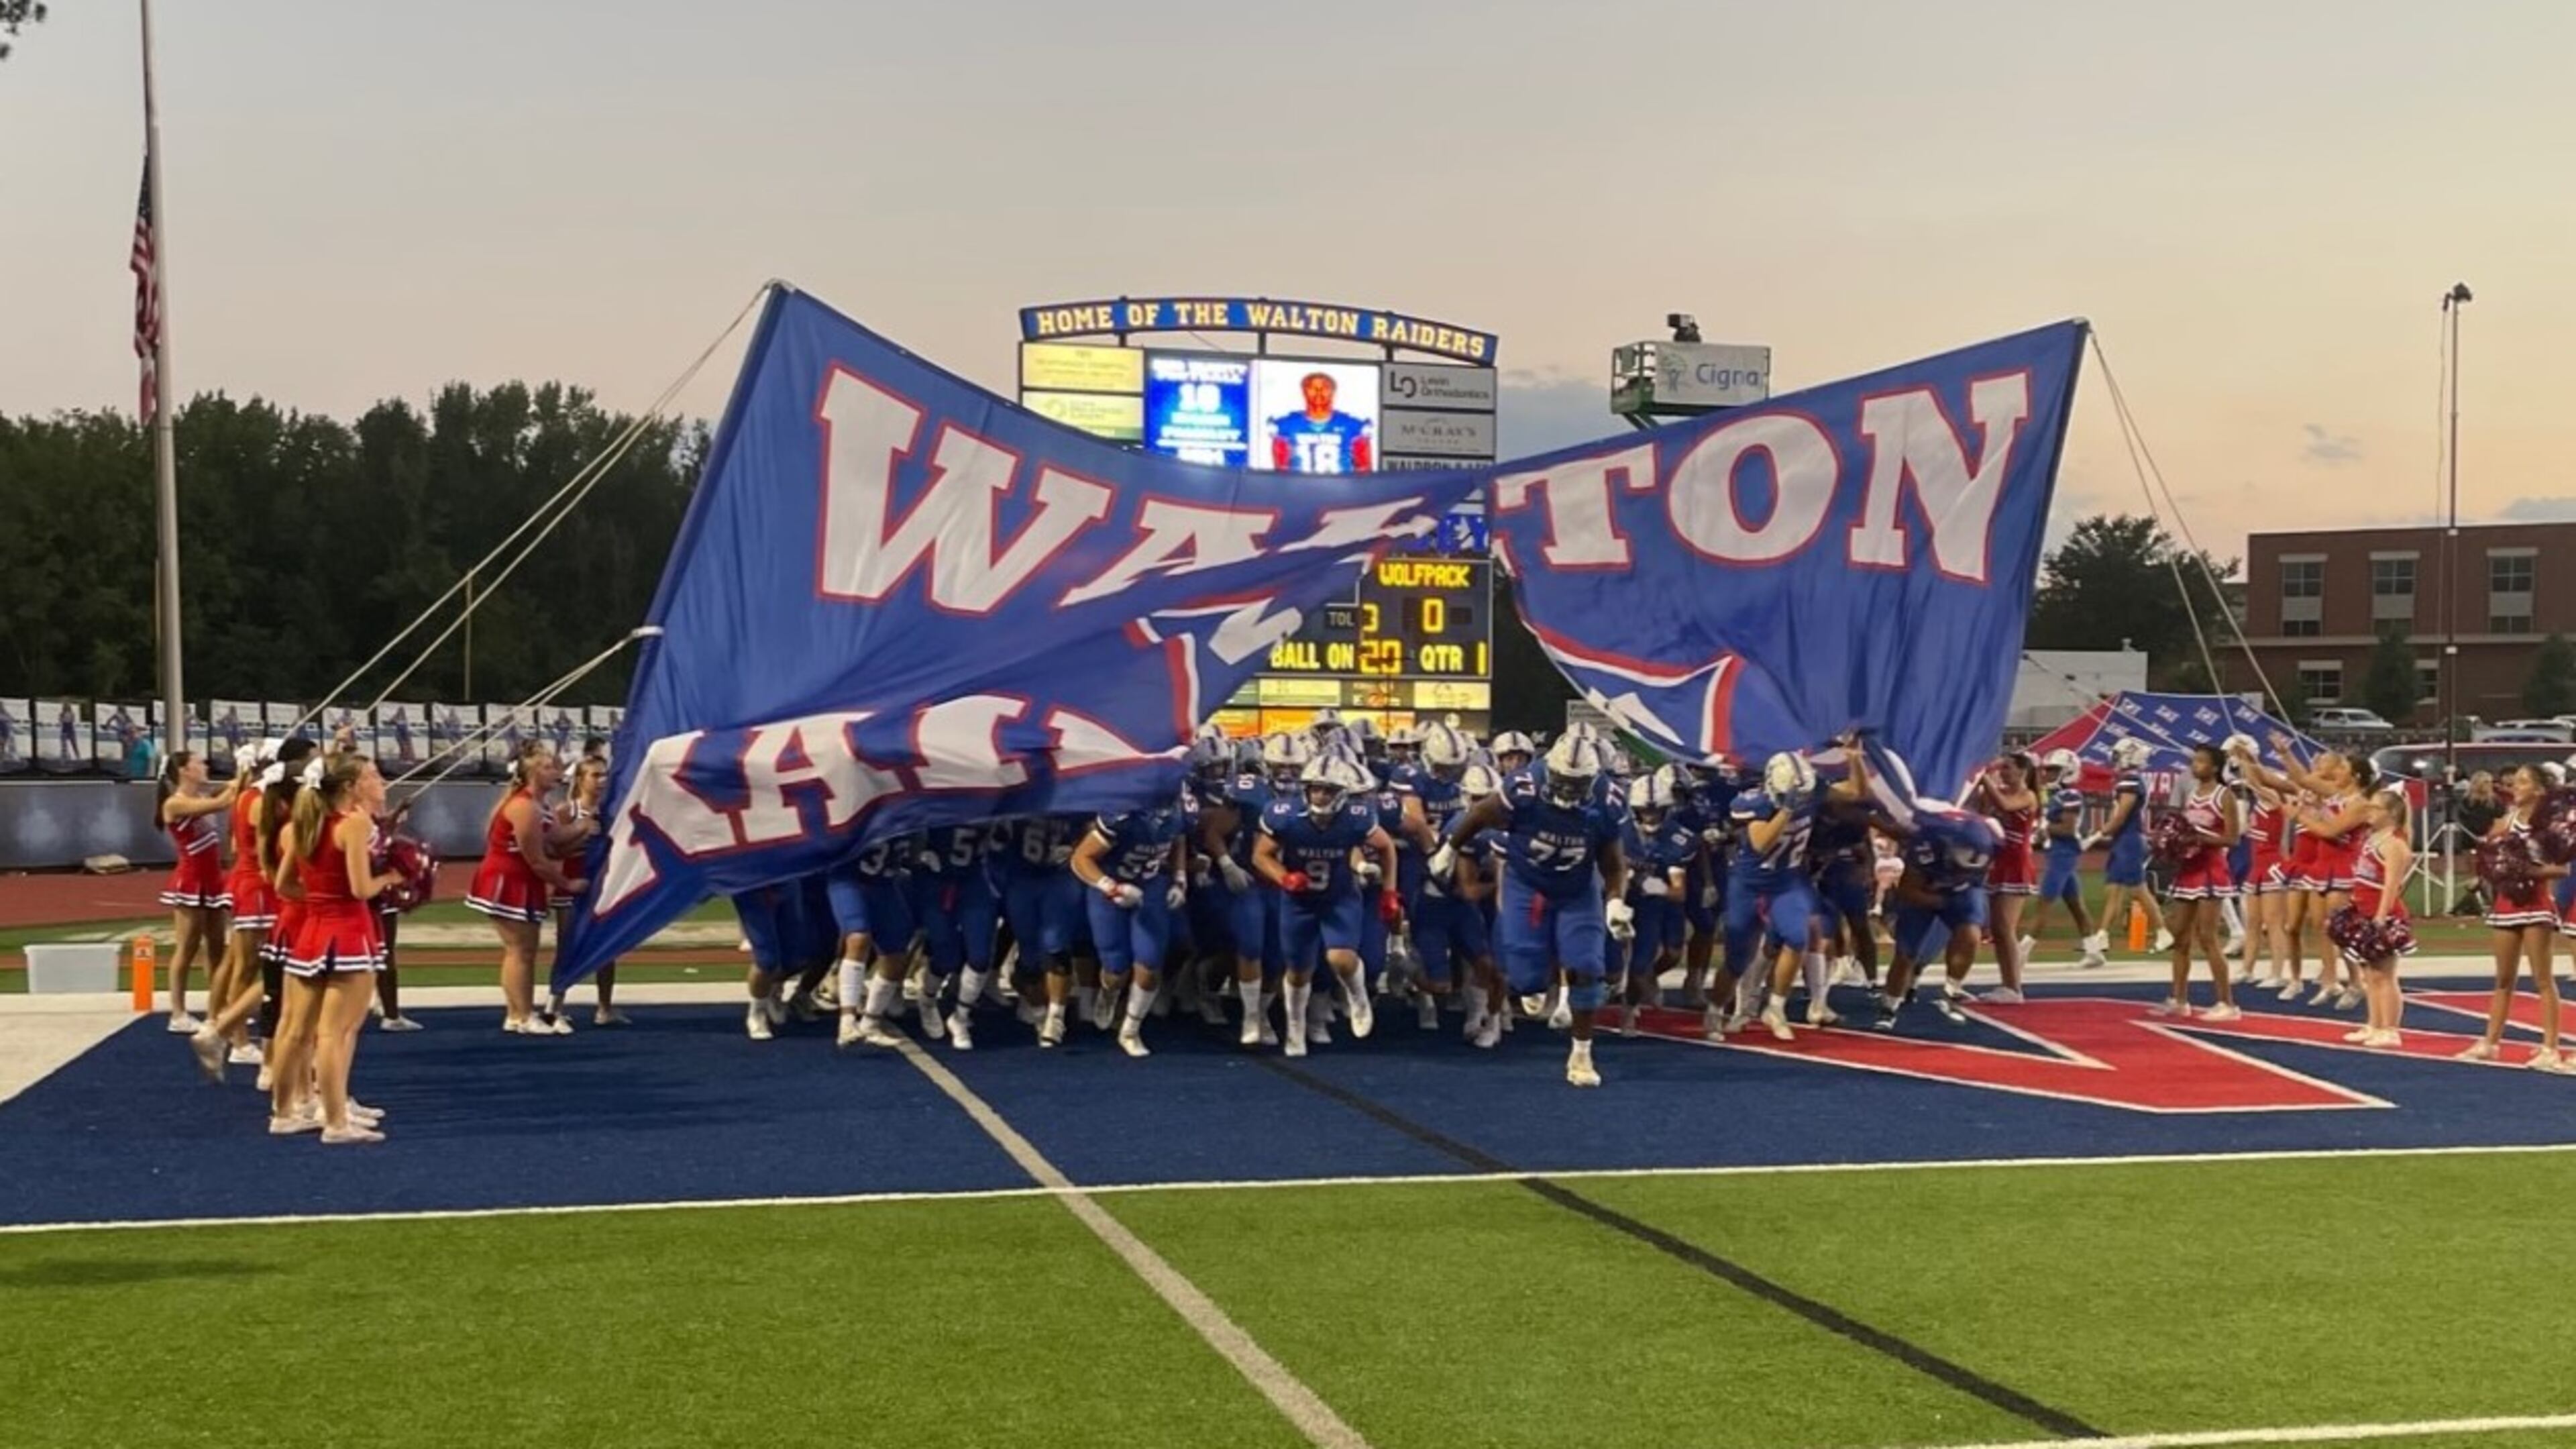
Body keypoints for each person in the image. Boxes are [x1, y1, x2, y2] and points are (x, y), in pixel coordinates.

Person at [1436, 734, 1627, 1086]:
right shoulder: (1524, 787)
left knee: (1587, 967)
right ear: (1549, 771)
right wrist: (1450, 849)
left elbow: (1613, 862)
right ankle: (1537, 979)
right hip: (1527, 886)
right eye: (1563, 780)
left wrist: (1615, 901)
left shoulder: (1607, 800)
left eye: (1577, 783)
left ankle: (1582, 1054)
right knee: (1526, 980)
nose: (1569, 789)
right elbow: (1479, 815)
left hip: (1577, 890)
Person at [268, 753, 398, 1143]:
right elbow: (360, 888)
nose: (376, 781)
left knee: (294, 1031)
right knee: (334, 1034)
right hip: (349, 934)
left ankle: (283, 1113)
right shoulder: (352, 824)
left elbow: (283, 885)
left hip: (310, 934)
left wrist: (319, 900)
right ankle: (336, 1121)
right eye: (368, 776)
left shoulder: (305, 824)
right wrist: (391, 879)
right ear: (350, 786)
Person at [1254, 749, 1397, 1057]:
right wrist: (1284, 877)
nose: (1319, 796)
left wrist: (1388, 891)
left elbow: (1386, 848)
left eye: (1328, 790)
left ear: (1342, 793)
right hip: (1299, 902)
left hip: (1339, 897)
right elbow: (1261, 855)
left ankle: (1357, 997)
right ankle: (1295, 1028)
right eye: (1315, 789)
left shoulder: (1356, 817)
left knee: (1341, 958)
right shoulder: (1286, 814)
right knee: (1298, 970)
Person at [466, 740, 587, 1034]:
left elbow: (557, 838)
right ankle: (522, 1015)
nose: (555, 772)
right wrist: (567, 884)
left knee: (525, 951)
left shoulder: (540, 805)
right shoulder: (524, 807)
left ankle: (517, 1013)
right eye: (548, 768)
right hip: (507, 881)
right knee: (519, 951)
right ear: (533, 773)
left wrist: (586, 826)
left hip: (522, 881)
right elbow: (538, 860)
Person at [1070, 788, 1195, 1058]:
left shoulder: (1180, 809)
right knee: (1116, 969)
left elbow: (1178, 839)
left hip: (1151, 887)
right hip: (1112, 887)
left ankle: (1130, 1030)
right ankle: (1109, 993)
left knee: (1149, 964)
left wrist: (1179, 880)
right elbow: (1081, 858)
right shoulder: (1122, 815)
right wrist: (1111, 888)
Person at [2462, 765, 2567, 1069]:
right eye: (2515, 781)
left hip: (2536, 903)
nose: (2514, 786)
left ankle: (2550, 1047)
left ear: (2539, 790)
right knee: (2503, 979)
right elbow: (2488, 854)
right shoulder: (2505, 821)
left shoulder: (2550, 827)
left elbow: (2562, 869)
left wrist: (2526, 871)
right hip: (2506, 904)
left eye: (2523, 782)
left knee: (2543, 979)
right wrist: (2491, 866)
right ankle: (2490, 1043)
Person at [1874, 804, 1998, 1030]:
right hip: (1925, 892)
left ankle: (1951, 991)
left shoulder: (1990, 841)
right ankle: (1889, 1007)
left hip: (1962, 889)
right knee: (1906, 954)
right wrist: (1940, 903)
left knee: (1971, 934)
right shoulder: (1926, 847)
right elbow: (1908, 891)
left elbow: (1978, 877)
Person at [155, 751, 240, 1032]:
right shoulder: (174, 803)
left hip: (213, 880)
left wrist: (245, 775)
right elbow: (221, 802)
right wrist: (239, 783)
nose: (205, 766)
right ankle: (178, 1013)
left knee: (217, 947)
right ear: (184, 770)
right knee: (187, 947)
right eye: (199, 763)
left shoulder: (200, 798)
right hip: (191, 881)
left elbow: (223, 792)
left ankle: (218, 1008)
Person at [2157, 745, 2243, 1021]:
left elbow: (2233, 839)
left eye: (2201, 762)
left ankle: (2227, 1004)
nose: (2195, 766)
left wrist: (2199, 839)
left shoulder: (2224, 796)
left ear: (2215, 767)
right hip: (2189, 870)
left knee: (2208, 937)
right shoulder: (2193, 794)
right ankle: (2179, 999)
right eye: (2194, 761)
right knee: (2180, 937)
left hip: (2210, 871)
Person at [541, 755, 619, 1028]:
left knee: (607, 947)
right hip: (572, 887)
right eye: (595, 776)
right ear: (580, 780)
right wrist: (581, 836)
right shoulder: (567, 811)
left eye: (604, 775)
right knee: (567, 947)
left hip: (603, 887)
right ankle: (554, 1007)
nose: (601, 781)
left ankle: (605, 1008)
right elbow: (552, 850)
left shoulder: (610, 812)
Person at [2337, 789, 2416, 1049]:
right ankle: (2374, 1024)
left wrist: (2381, 917)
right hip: (2364, 912)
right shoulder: (2373, 838)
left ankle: (2390, 1030)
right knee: (2370, 974)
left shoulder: (2394, 843)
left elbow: (2392, 886)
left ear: (2391, 813)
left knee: (2385, 975)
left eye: (2376, 808)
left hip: (2383, 914)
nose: (2369, 812)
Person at [1617, 771, 1695, 1034]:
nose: (1650, 817)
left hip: (1656, 902)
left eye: (1656, 811)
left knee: (1658, 958)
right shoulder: (1619, 832)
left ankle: (1638, 993)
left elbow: (1678, 892)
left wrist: (1648, 884)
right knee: (1624, 964)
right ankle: (1623, 1005)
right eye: (1645, 811)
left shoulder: (1677, 838)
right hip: (1624, 901)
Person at [2085, 738, 2171, 959]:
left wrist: (2095, 837)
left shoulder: (2131, 782)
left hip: (2130, 840)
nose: (2114, 759)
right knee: (2113, 890)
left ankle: (2163, 932)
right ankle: (2103, 935)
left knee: (2138, 889)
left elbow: (2120, 817)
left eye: (2118, 755)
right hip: (2123, 840)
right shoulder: (2129, 780)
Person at [1966, 752, 2039, 1004]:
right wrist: (1984, 780)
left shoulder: (2028, 795)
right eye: (2003, 768)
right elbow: (1984, 812)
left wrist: (1984, 776)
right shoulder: (2002, 792)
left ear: (2022, 772)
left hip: (2016, 863)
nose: (2004, 773)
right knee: (1998, 928)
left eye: (2008, 768)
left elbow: (2006, 806)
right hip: (1999, 861)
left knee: (2005, 927)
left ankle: (2013, 987)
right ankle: (2008, 984)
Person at [2027, 750, 2104, 966]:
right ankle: (2094, 952)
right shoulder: (2056, 795)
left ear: (2068, 772)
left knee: (2044, 904)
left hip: (2064, 854)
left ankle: (2021, 952)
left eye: (2054, 770)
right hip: (2058, 853)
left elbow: (2068, 829)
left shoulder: (2070, 796)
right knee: (2076, 906)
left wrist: (2043, 829)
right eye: (2047, 770)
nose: (2048, 774)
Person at [1267, 371, 1373, 474]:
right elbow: (1281, 473)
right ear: (1304, 391)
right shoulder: (1286, 426)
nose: (1319, 391)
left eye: (1325, 388)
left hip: (1341, 485)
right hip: (1299, 485)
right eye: (1312, 388)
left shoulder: (1353, 426)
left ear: (1333, 392)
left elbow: (1364, 472)